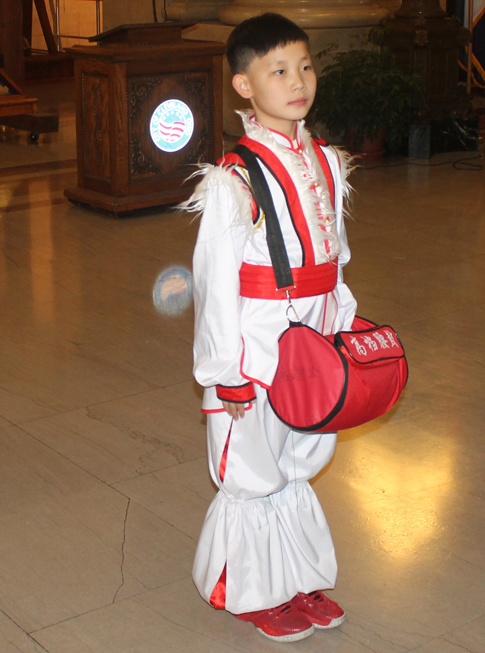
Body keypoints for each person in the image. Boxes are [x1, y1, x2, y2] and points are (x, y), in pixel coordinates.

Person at [181, 12, 357, 643]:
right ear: (243, 85)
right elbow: (213, 281)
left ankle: (296, 577)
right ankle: (251, 590)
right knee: (253, 464)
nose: (298, 80)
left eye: (305, 66)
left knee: (297, 454)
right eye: (278, 70)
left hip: (311, 336)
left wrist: (339, 324)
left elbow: (334, 255)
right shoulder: (234, 180)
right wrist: (225, 371)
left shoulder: (328, 163)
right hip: (255, 342)